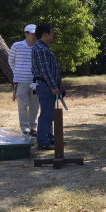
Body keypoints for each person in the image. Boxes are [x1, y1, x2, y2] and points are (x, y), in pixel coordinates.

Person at [30, 22, 62, 151]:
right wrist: (53, 86)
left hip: (47, 86)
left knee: (50, 114)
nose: (53, 35)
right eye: (51, 32)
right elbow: (45, 70)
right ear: (45, 34)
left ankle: (49, 137)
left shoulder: (43, 47)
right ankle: (43, 141)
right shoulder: (41, 49)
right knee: (46, 115)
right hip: (45, 86)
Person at [9, 23, 39, 137]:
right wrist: (17, 73)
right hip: (21, 81)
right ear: (26, 34)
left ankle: (33, 128)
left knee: (34, 106)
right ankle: (25, 128)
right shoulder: (17, 46)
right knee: (23, 106)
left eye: (36, 34)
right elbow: (11, 61)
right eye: (32, 34)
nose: (34, 36)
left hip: (35, 81)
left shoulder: (38, 47)